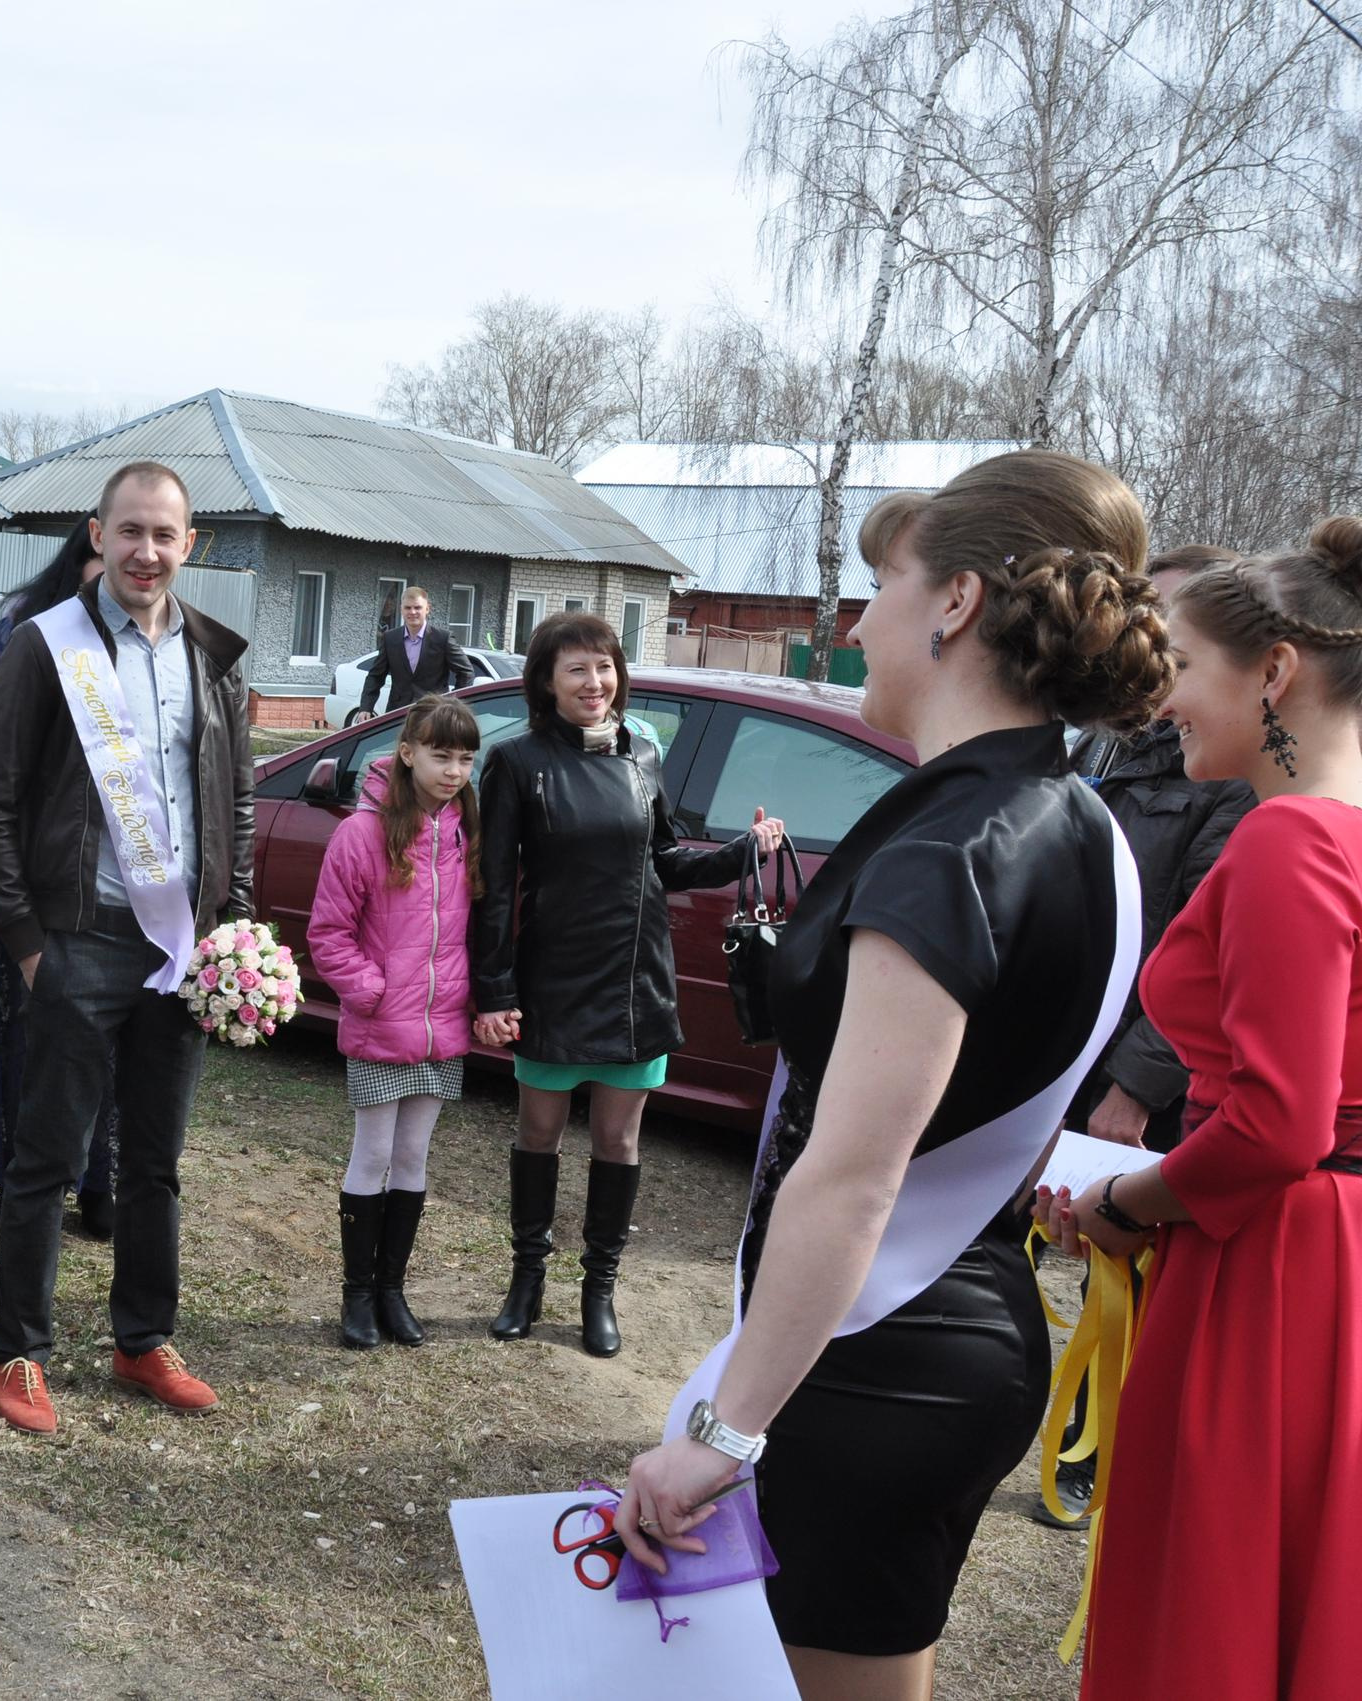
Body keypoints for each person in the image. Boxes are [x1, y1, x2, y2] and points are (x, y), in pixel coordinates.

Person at [615, 451, 1168, 1700]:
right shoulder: (1074, 818)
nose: (859, 621)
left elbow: (852, 1179)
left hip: (876, 1356)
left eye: (882, 581)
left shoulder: (950, 845)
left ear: (956, 601)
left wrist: (720, 1433)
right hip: (954, 1328)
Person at [1036, 517, 1362, 1700]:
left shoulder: (1291, 841)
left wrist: (1128, 1197)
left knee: (1217, 1591)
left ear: (1273, 672)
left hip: (1264, 1265)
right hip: (1326, 1256)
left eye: (1178, 664)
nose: (1158, 698)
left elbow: (1280, 1124)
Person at [0, 460, 255, 1436]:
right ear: (97, 534)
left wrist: (233, 924)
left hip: (177, 954)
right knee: (44, 1161)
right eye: (129, 531)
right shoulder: (50, 647)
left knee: (154, 1165)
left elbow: (235, 798)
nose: (146, 551)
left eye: (164, 535)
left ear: (189, 545)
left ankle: (141, 1342)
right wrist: (30, 942)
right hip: (77, 943)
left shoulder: (212, 654)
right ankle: (20, 1351)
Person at [472, 611, 783, 1357]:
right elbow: (496, 887)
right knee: (537, 1132)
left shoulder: (644, 751)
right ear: (546, 681)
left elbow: (665, 860)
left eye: (605, 666)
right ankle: (526, 1280)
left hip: (636, 982)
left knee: (618, 1139)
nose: (594, 681)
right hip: (551, 979)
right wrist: (494, 990)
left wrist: (742, 853)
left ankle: (598, 1290)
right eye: (576, 668)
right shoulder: (516, 763)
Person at [1034, 538, 1254, 1528]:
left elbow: (1204, 948)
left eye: (1173, 620)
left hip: (1137, 1067)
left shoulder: (1226, 770)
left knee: (1114, 1261)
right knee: (1032, 1232)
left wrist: (1134, 1083)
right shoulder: (1099, 738)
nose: (1149, 633)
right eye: (1139, 611)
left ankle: (1084, 1448)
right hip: (1059, 1039)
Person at [0, 517, 119, 1240]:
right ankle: (26, 1177)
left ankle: (100, 1186)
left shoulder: (148, 636)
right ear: (89, 547)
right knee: (32, 1031)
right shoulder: (25, 626)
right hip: (31, 869)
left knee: (108, 1041)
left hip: (113, 873)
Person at [304, 693, 481, 1350]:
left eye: (465, 757)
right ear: (407, 753)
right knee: (373, 1154)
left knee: (412, 1157)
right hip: (382, 1027)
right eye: (441, 754)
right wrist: (371, 990)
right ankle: (356, 1294)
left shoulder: (465, 832)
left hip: (441, 1029)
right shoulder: (362, 834)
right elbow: (329, 934)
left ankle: (392, 1290)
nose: (453, 770)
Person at [356, 585, 473, 718]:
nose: (412, 612)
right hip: (397, 716)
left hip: (433, 716)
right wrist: (366, 707)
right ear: (401, 610)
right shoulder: (390, 638)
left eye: (417, 607)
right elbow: (375, 676)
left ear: (427, 609)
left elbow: (466, 672)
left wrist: (454, 705)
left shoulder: (442, 639)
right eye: (408, 608)